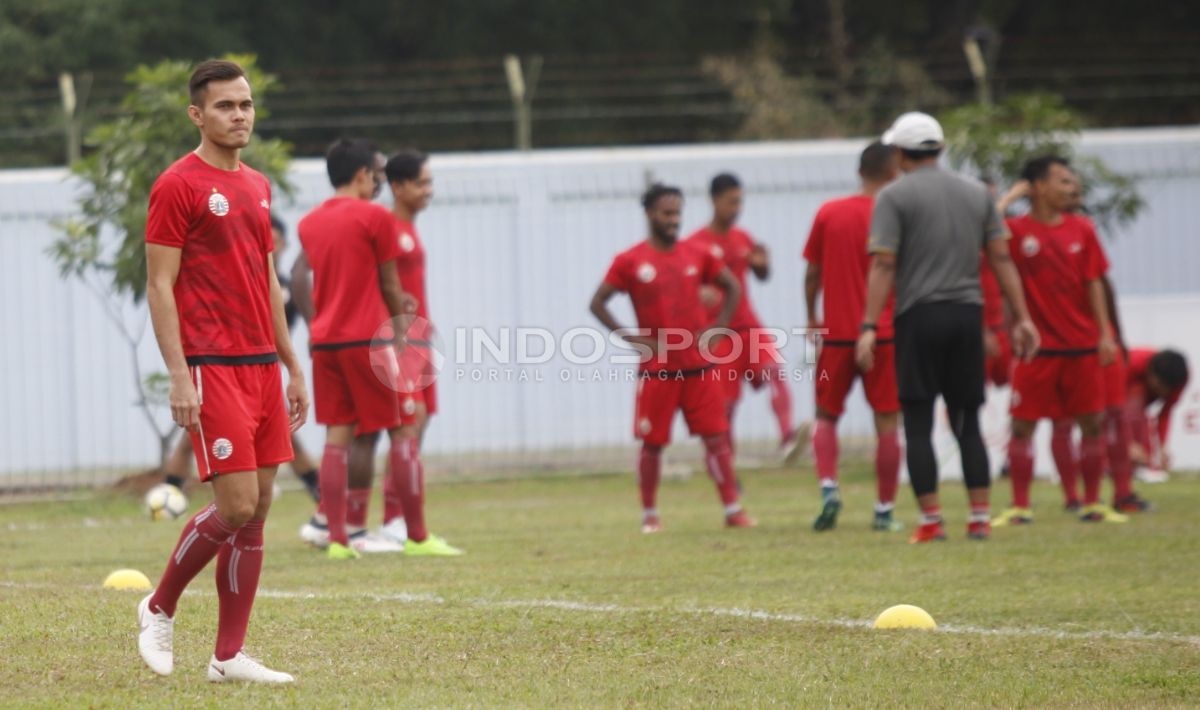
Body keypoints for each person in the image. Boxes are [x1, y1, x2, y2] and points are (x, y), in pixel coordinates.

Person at [139, 59, 308, 683]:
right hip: (211, 366)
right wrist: (179, 374)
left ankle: (228, 656)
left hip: (262, 365)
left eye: (246, 105)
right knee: (234, 506)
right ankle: (158, 607)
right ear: (197, 115)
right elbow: (160, 286)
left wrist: (291, 364)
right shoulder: (177, 185)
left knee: (259, 508)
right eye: (225, 107)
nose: (239, 116)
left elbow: (266, 280)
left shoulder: (259, 186)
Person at [855, 112, 1038, 544]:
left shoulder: (894, 197)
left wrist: (867, 325)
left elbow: (884, 263)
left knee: (917, 422)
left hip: (919, 317)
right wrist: (1023, 317)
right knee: (967, 421)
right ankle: (978, 517)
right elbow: (1001, 258)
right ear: (939, 148)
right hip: (966, 317)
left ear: (900, 153)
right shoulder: (977, 194)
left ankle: (932, 520)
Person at [590, 183, 755, 533]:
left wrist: (720, 329)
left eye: (678, 213)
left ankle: (733, 510)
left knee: (716, 440)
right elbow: (598, 302)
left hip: (699, 368)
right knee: (653, 444)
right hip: (659, 370)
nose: (674, 220)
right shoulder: (631, 261)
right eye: (667, 213)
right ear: (650, 213)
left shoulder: (697, 254)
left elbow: (733, 287)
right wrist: (631, 338)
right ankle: (650, 515)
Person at [993, 156, 1129, 526]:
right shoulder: (1017, 230)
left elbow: (1094, 282)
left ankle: (1092, 503)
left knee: (1091, 424)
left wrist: (1105, 334)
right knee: (1022, 426)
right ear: (1038, 187)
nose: (1074, 188)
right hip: (1036, 348)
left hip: (1082, 345)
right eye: (1064, 181)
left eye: (1074, 182)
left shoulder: (1083, 229)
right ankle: (1020, 506)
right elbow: (984, 229)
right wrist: (1010, 196)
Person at [160, 214, 321, 505]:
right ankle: (171, 489)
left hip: (262, 368)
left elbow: (278, 318)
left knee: (281, 436)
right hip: (225, 368)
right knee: (196, 437)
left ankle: (316, 488)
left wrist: (293, 366)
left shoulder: (279, 286)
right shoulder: (228, 277)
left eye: (274, 238)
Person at [346, 149, 457, 554]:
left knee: (417, 425)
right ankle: (383, 521)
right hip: (399, 340)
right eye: (422, 182)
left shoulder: (408, 227)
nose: (429, 190)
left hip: (419, 339)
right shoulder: (387, 225)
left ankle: (392, 518)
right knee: (405, 425)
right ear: (397, 186)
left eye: (430, 182)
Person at [801, 142, 903, 532]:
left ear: (860, 171)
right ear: (894, 171)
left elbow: (812, 273)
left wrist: (812, 317)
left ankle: (829, 487)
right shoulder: (895, 214)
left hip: (837, 335)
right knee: (888, 424)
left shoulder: (830, 213)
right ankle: (883, 510)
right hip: (885, 334)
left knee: (825, 417)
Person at [685, 173, 799, 460]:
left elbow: (761, 274)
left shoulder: (742, 238)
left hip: (748, 326)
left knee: (773, 372)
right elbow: (682, 284)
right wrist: (699, 293)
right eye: (731, 202)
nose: (737, 208)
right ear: (714, 201)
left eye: (740, 202)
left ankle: (789, 439)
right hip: (718, 332)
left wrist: (763, 265)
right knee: (726, 403)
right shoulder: (695, 244)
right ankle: (726, 463)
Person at [1126, 348, 1190, 482]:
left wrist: (1162, 448)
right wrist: (1126, 443)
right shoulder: (1130, 364)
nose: (1162, 393)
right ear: (1150, 372)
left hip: (1135, 404)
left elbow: (1165, 414)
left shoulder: (1179, 378)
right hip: (1116, 393)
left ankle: (1142, 464)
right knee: (1135, 404)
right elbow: (1110, 409)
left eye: (1167, 389)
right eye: (1159, 386)